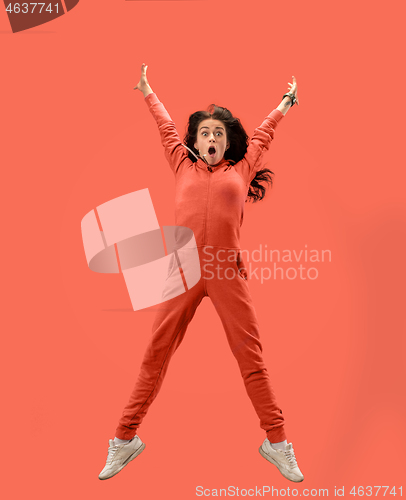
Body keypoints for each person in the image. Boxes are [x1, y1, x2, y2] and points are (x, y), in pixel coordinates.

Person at [99, 64, 303, 483]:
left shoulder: (240, 169)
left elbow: (264, 133)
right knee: (155, 356)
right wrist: (147, 90)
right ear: (195, 141)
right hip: (183, 271)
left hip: (227, 272)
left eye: (219, 134)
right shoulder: (181, 163)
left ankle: (277, 443)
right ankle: (124, 439)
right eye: (205, 133)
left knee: (252, 359)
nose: (211, 138)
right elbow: (165, 127)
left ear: (228, 143)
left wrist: (286, 102)